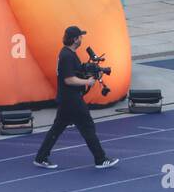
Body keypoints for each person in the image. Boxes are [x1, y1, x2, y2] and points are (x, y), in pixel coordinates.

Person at [34, 26, 120, 169]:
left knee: (57, 128)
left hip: (66, 99)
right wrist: (87, 82)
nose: (82, 39)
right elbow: (69, 79)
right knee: (87, 126)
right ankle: (100, 159)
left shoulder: (68, 54)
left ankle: (41, 157)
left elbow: (75, 73)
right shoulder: (68, 56)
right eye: (80, 36)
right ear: (75, 39)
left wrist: (89, 75)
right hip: (72, 99)